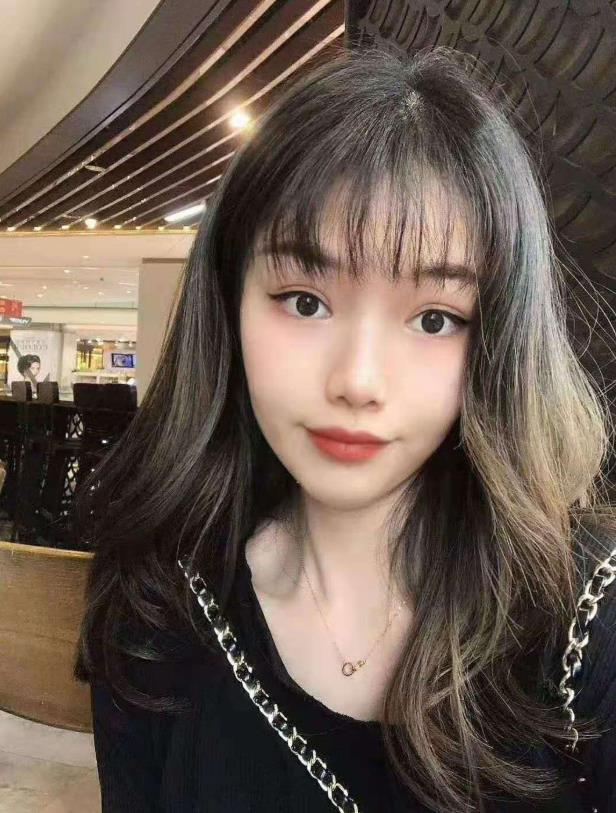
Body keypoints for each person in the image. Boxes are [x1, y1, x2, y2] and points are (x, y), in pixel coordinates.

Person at [72, 45, 616, 812]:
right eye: (305, 301)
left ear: (498, 339)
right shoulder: (156, 606)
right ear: (228, 301)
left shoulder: (587, 622)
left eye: (435, 318)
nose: (358, 381)